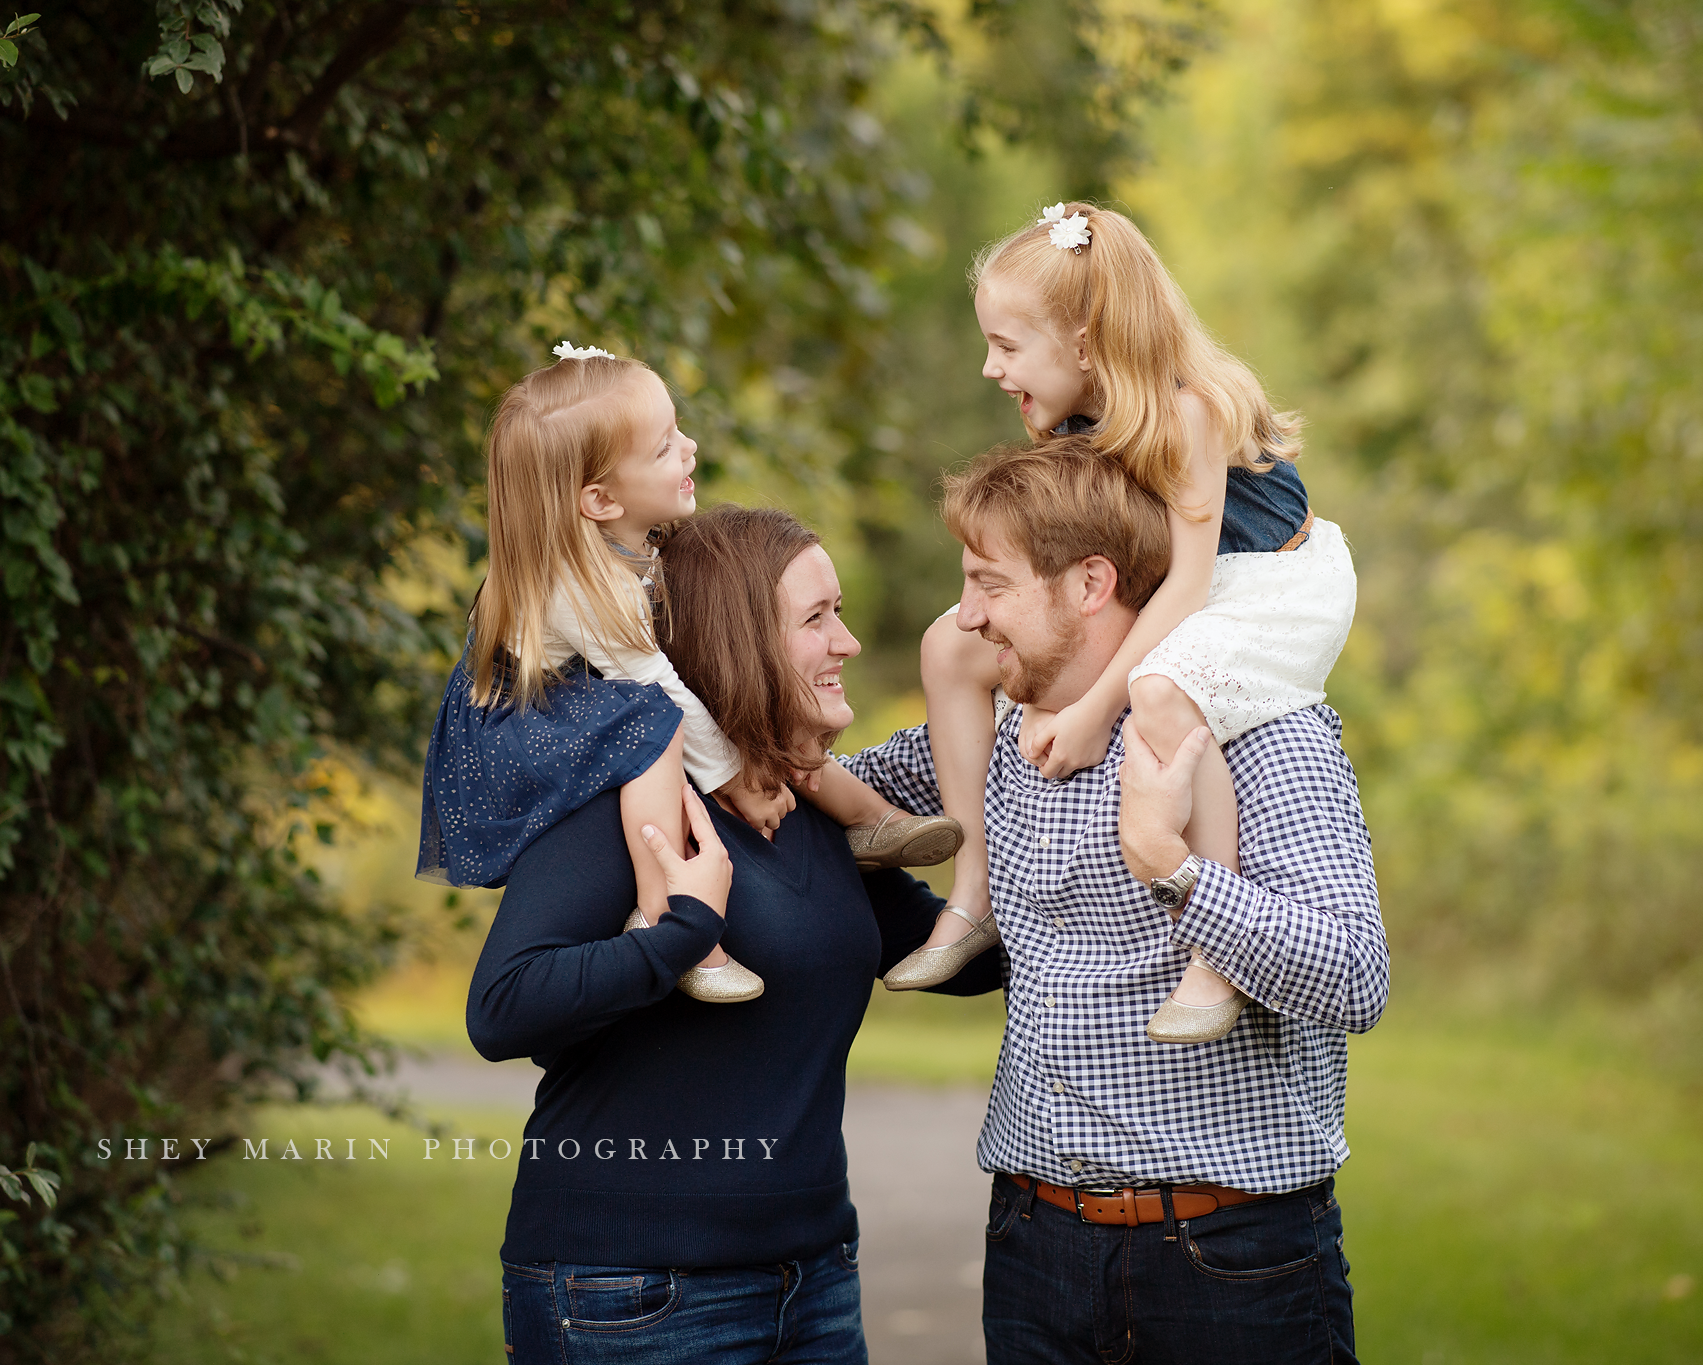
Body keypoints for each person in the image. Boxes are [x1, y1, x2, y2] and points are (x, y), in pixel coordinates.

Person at [839, 439, 1386, 1363]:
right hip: (1032, 1245)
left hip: (1229, 1265)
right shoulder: (992, 729)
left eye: (989, 584)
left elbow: (1353, 976)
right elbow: (831, 799)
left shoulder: (1261, 730)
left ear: (1091, 582)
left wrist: (1171, 866)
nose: (965, 618)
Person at [469, 504, 1000, 1364]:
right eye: (818, 618)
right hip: (633, 1291)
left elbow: (961, 958)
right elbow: (502, 1011)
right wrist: (680, 930)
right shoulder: (626, 804)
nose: (849, 642)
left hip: (814, 1277)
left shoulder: (807, 809)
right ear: (736, 639)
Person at [860, 203, 1358, 1045]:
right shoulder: (1073, 422)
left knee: (1164, 690)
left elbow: (1190, 587)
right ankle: (972, 894)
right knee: (948, 644)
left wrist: (1093, 711)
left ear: (1085, 342)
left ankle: (1217, 953)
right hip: (1173, 584)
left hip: (1267, 582)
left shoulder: (1188, 411)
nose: (991, 368)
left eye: (1008, 348)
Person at [418, 344, 957, 1003]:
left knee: (758, 712)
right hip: (527, 732)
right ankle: (671, 912)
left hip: (589, 703)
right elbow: (662, 693)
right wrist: (737, 779)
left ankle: (874, 822)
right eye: (664, 446)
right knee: (653, 729)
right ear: (599, 498)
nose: (690, 449)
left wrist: (752, 744)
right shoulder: (583, 589)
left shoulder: (630, 545)